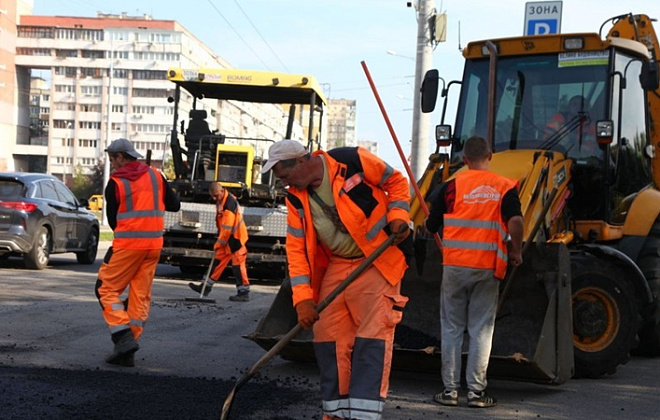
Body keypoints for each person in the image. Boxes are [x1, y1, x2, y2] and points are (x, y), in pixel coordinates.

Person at [261, 139, 411, 420]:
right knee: (327, 337)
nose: (284, 182)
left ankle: (364, 416)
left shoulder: (351, 160)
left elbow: (397, 181)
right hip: (340, 264)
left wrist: (399, 215)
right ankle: (337, 413)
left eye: (285, 175)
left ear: (302, 161)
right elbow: (296, 251)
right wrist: (303, 300)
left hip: (377, 259)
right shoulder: (295, 197)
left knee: (371, 339)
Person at [425, 135, 523, 408]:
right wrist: (516, 251)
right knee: (481, 330)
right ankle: (477, 393)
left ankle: (450, 391)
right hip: (487, 268)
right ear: (490, 155)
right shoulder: (504, 187)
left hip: (455, 267)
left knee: (452, 328)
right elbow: (515, 220)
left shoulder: (450, 187)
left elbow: (431, 226)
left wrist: (430, 225)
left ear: (464, 160)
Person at [95, 138, 180, 367]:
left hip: (128, 246)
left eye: (113, 159)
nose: (112, 164)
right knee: (139, 295)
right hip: (153, 246)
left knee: (105, 289)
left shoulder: (116, 183)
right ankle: (127, 350)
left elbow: (114, 220)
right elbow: (174, 205)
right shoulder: (156, 176)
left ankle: (123, 338)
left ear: (122, 157)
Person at [188, 182, 250, 301]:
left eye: (216, 195)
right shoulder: (222, 201)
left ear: (222, 191)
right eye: (213, 196)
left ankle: (243, 292)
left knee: (238, 266)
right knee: (217, 261)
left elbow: (227, 228)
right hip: (228, 239)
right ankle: (205, 287)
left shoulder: (229, 204)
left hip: (236, 239)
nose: (214, 198)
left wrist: (219, 243)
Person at [544, 95, 600, 159]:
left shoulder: (592, 126)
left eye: (582, 105)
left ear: (587, 108)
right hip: (556, 157)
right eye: (574, 104)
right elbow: (547, 140)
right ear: (569, 107)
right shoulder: (558, 117)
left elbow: (588, 150)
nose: (578, 107)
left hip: (582, 161)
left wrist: (572, 139)